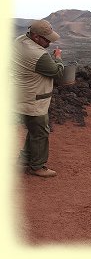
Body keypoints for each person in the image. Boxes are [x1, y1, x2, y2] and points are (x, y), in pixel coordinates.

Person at [13, 19, 64, 177]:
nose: (49, 42)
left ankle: (24, 160)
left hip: (21, 96)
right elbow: (58, 73)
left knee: (34, 131)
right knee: (41, 132)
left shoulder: (20, 40)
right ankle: (37, 166)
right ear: (35, 37)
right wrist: (58, 58)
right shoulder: (38, 54)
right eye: (46, 39)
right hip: (34, 101)